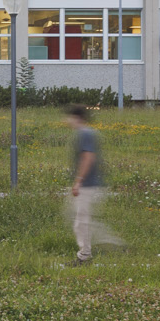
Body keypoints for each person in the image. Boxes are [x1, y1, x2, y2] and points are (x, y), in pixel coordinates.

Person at [64, 105, 120, 264]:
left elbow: (88, 157)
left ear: (77, 118)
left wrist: (78, 182)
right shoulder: (88, 133)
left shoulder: (85, 133)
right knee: (83, 220)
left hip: (87, 185)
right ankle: (113, 243)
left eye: (69, 117)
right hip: (90, 184)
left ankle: (85, 256)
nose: (67, 120)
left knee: (81, 223)